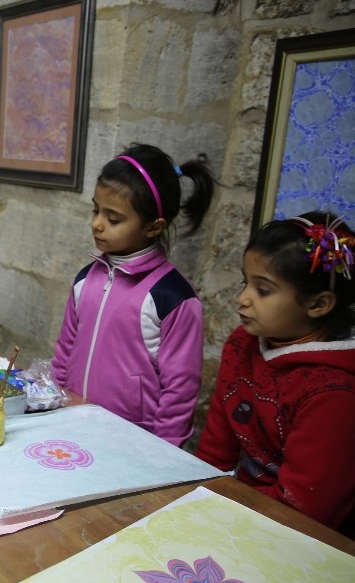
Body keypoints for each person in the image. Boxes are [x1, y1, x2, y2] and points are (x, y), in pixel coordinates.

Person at [195, 212, 355, 537]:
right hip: (242, 507)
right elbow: (215, 450)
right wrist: (195, 498)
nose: (242, 299)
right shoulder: (243, 343)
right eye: (245, 282)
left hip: (299, 535)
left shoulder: (334, 392)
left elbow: (304, 511)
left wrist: (223, 513)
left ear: (318, 304)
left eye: (263, 290)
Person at [51, 144, 215, 447]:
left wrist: (162, 455)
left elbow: (180, 389)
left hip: (132, 441)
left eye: (113, 219)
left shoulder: (173, 297)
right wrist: (53, 405)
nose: (97, 224)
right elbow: (64, 351)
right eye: (96, 210)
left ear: (153, 227)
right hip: (71, 427)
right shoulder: (86, 279)